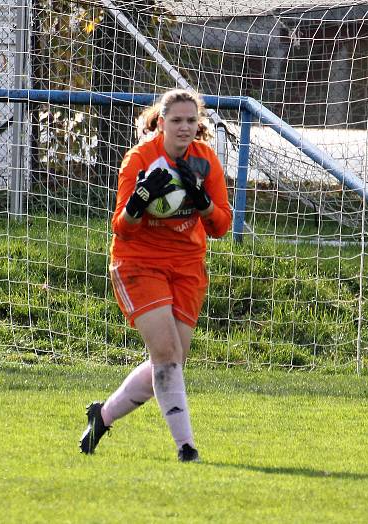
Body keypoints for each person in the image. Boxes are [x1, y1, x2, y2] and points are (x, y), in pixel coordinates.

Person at [79, 89, 232, 462]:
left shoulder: (205, 160)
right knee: (165, 354)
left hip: (187, 266)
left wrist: (203, 201)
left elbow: (222, 225)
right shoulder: (140, 159)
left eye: (190, 121)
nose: (184, 127)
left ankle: (104, 416)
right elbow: (122, 227)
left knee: (172, 361)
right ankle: (186, 447)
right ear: (161, 123)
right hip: (139, 262)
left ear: (199, 125)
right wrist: (139, 200)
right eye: (176, 120)